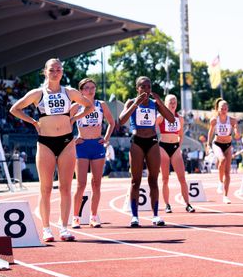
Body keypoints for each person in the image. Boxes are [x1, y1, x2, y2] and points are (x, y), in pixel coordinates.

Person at [10, 58, 93, 242]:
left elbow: (90, 105)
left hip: (66, 142)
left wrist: (73, 118)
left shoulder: (69, 92)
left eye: (58, 69)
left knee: (65, 187)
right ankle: (46, 229)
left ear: (62, 72)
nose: (55, 72)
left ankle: (64, 228)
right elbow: (14, 109)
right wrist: (33, 122)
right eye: (52, 69)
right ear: (45, 72)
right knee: (45, 188)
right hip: (45, 142)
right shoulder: (37, 93)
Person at [118, 76, 175, 227]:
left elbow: (171, 119)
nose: (146, 90)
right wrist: (135, 104)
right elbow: (121, 120)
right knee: (135, 181)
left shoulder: (154, 104)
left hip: (152, 142)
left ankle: (156, 215)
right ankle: (134, 217)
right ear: (137, 89)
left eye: (148, 87)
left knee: (153, 180)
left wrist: (160, 102)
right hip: (137, 142)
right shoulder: (131, 101)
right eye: (143, 87)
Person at [71, 78, 115, 229]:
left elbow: (112, 122)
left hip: (97, 146)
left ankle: (93, 217)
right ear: (81, 91)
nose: (90, 90)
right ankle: (76, 217)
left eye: (93, 88)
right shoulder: (76, 106)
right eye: (87, 88)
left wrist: (106, 139)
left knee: (96, 183)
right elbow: (64, 122)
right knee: (81, 184)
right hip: (82, 146)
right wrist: (72, 140)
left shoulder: (101, 105)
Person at [157, 94, 195, 214]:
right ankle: (167, 204)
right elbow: (152, 129)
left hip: (175, 147)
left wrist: (178, 146)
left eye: (175, 102)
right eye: (170, 102)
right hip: (163, 146)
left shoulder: (180, 118)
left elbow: (181, 134)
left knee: (182, 178)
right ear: (165, 103)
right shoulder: (161, 117)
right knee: (165, 178)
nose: (173, 104)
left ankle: (187, 204)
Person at [207, 99, 240, 203]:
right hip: (217, 144)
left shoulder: (232, 120)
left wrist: (236, 133)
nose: (224, 110)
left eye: (226, 108)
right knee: (222, 160)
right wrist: (208, 144)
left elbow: (235, 130)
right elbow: (210, 132)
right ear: (218, 109)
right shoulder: (214, 120)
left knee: (228, 172)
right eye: (222, 108)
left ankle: (225, 196)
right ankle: (220, 182)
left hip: (228, 145)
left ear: (228, 109)